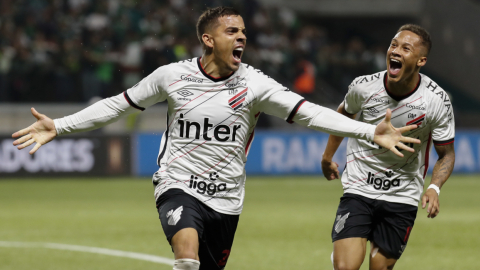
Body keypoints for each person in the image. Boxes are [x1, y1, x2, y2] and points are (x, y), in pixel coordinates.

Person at [12, 7, 420, 270]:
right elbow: (117, 105)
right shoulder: (171, 76)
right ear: (209, 39)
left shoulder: (255, 84)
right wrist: (59, 126)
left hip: (227, 200)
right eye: (231, 31)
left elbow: (310, 113)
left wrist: (369, 131)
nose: (241, 37)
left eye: (243, 31)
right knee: (185, 255)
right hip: (178, 184)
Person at [321, 24, 455, 270]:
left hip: (402, 193)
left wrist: (435, 187)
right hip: (359, 187)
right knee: (345, 267)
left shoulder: (436, 101)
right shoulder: (363, 87)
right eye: (394, 45)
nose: (396, 51)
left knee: (380, 268)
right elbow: (343, 114)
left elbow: (446, 153)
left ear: (421, 60)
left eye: (406, 48)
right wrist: (327, 156)